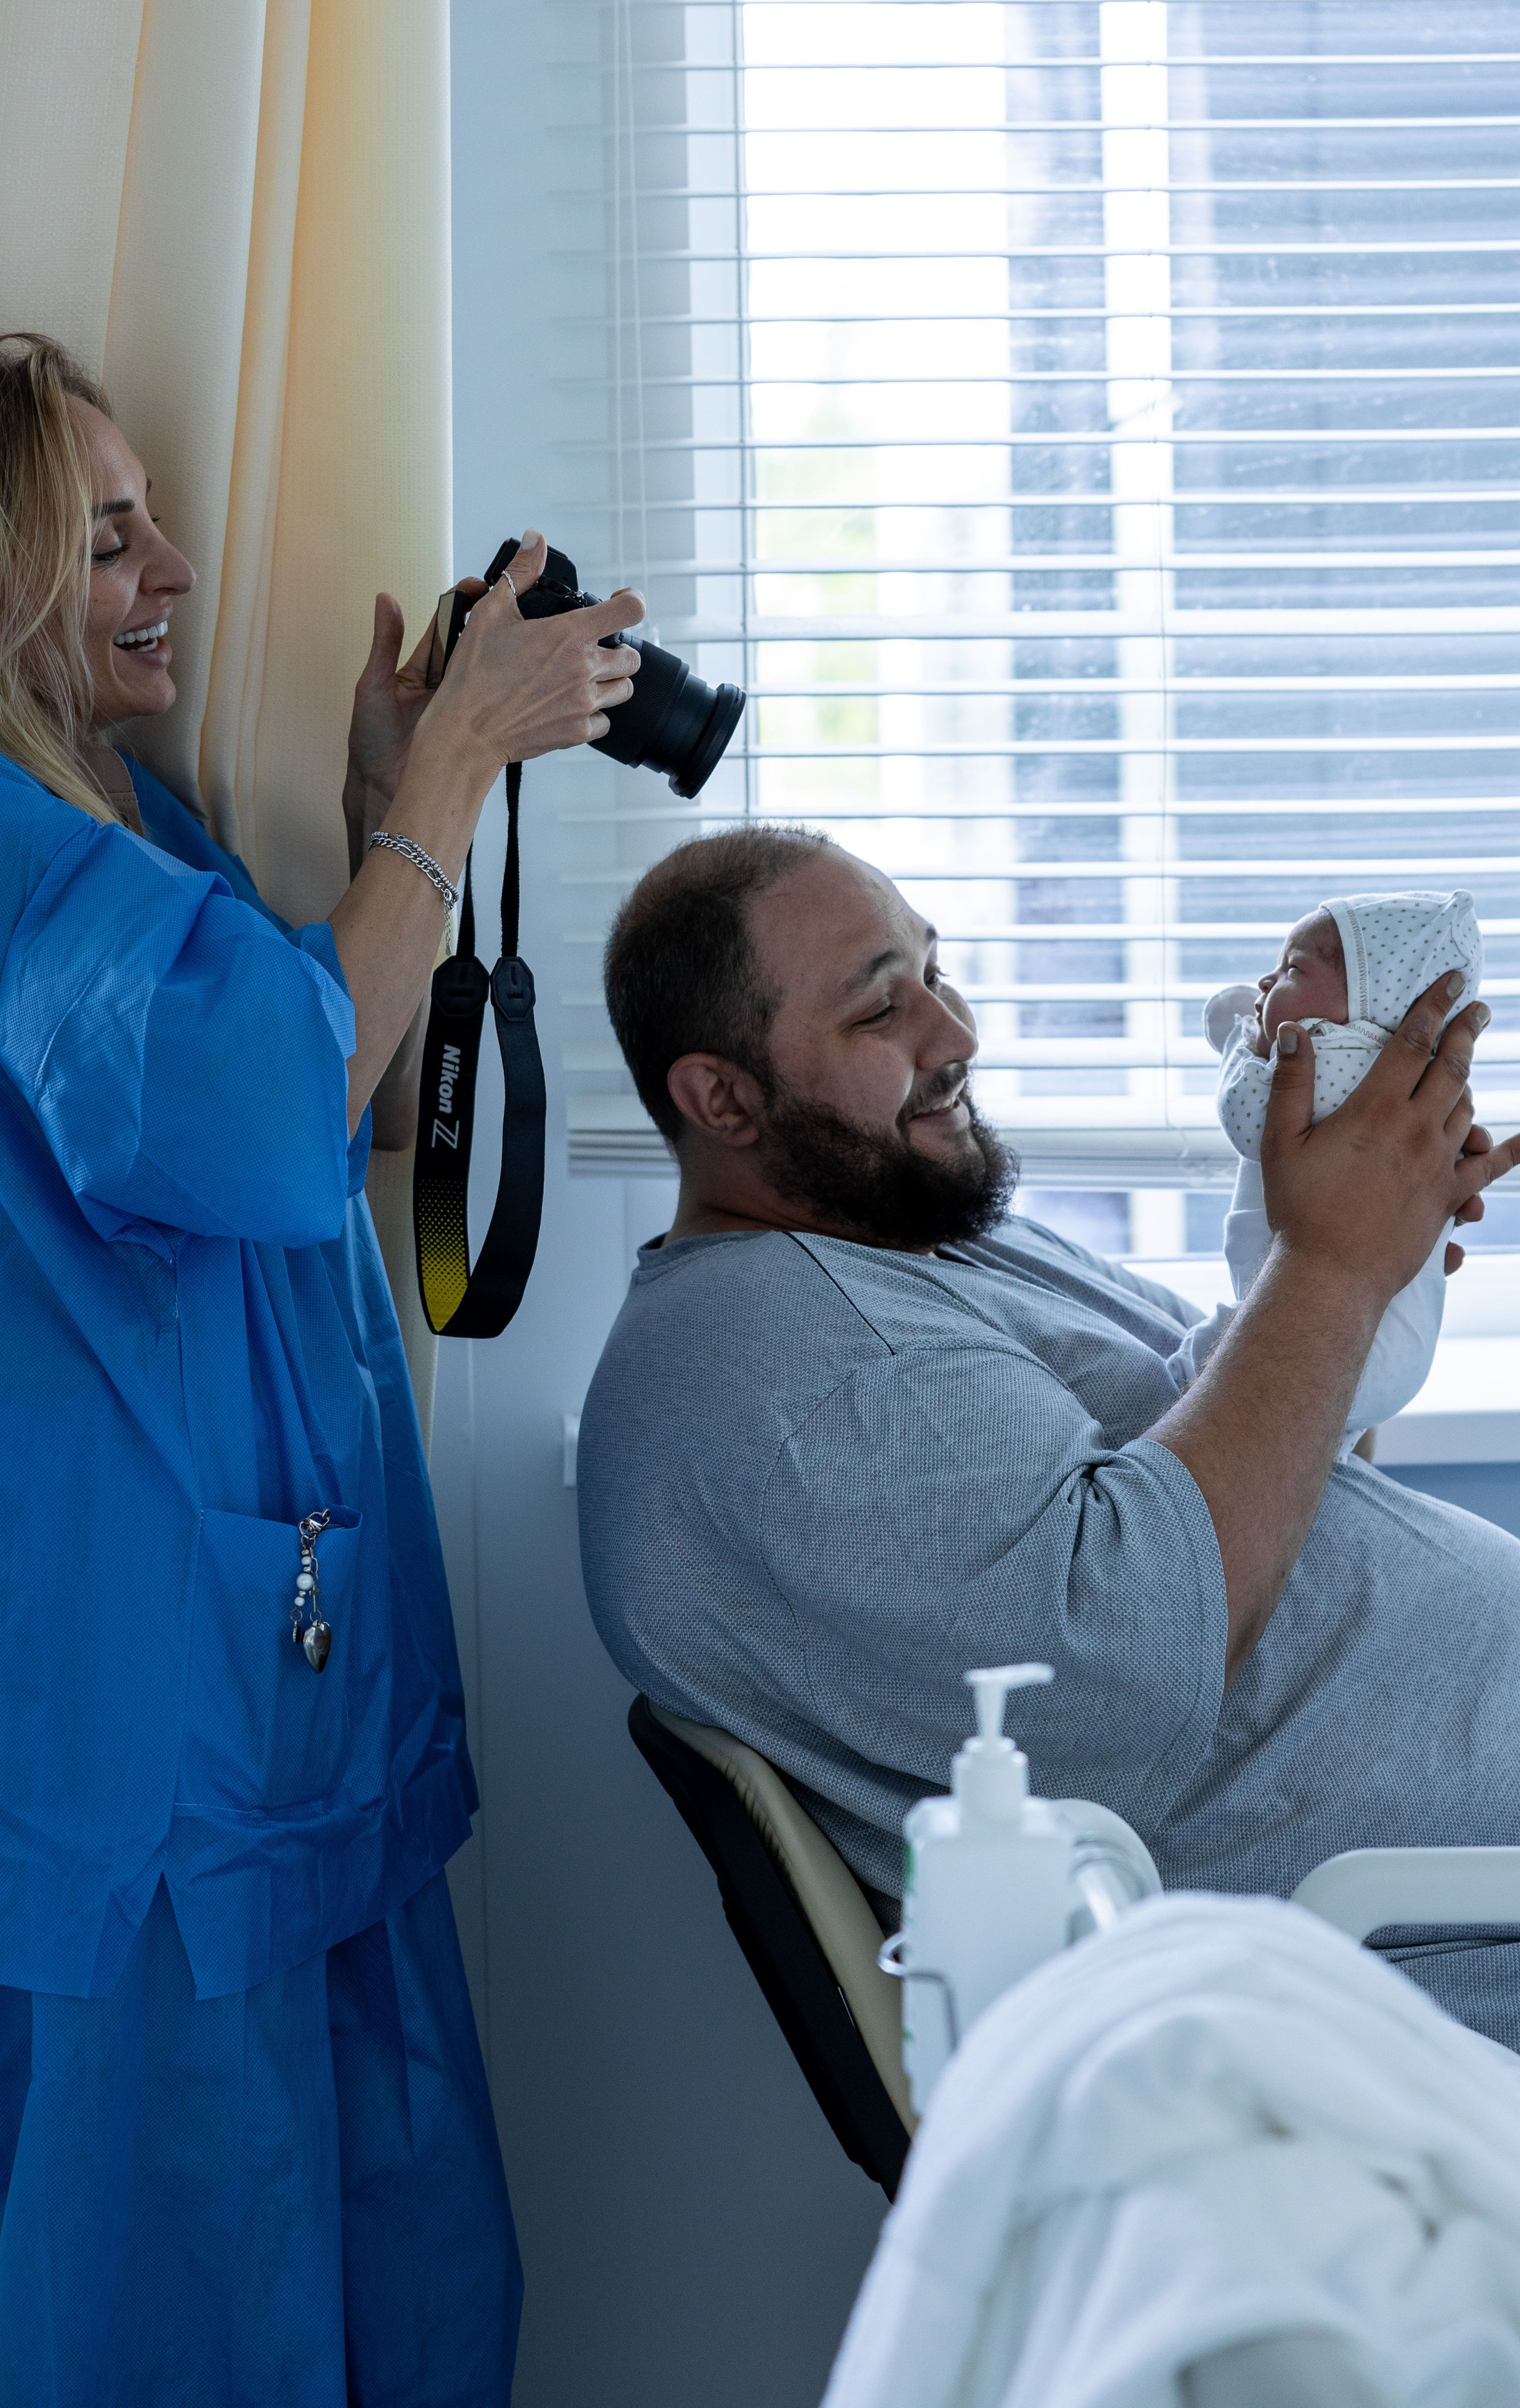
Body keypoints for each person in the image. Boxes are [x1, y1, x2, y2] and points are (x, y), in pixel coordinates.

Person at [0, 333, 644, 2406]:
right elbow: (265, 1109)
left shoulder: (118, 822)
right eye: (108, 537)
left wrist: (382, 809)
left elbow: (324, 1100)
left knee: (400, 2287)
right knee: (187, 2332)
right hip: (144, 1743)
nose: (171, 567)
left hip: (265, 1693)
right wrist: (449, 776)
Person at [575, 826, 1520, 2048]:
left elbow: (1256, 1456)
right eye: (881, 1011)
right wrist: (1331, 1273)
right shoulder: (793, 1391)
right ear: (721, 1098)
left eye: (935, 970)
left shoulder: (904, 1235)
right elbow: (1122, 1676)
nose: (955, 1034)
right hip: (1427, 1964)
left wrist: (1362, 1268)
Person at [1190, 890, 1483, 1440]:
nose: (1265, 982)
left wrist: (1238, 1037)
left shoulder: (1331, 1059)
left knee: (1201, 1360)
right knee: (1330, 1438)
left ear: (1374, 1000)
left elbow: (1245, 1117)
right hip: (1389, 1349)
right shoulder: (1412, 1087)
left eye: (1292, 969)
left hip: (1320, 1344)